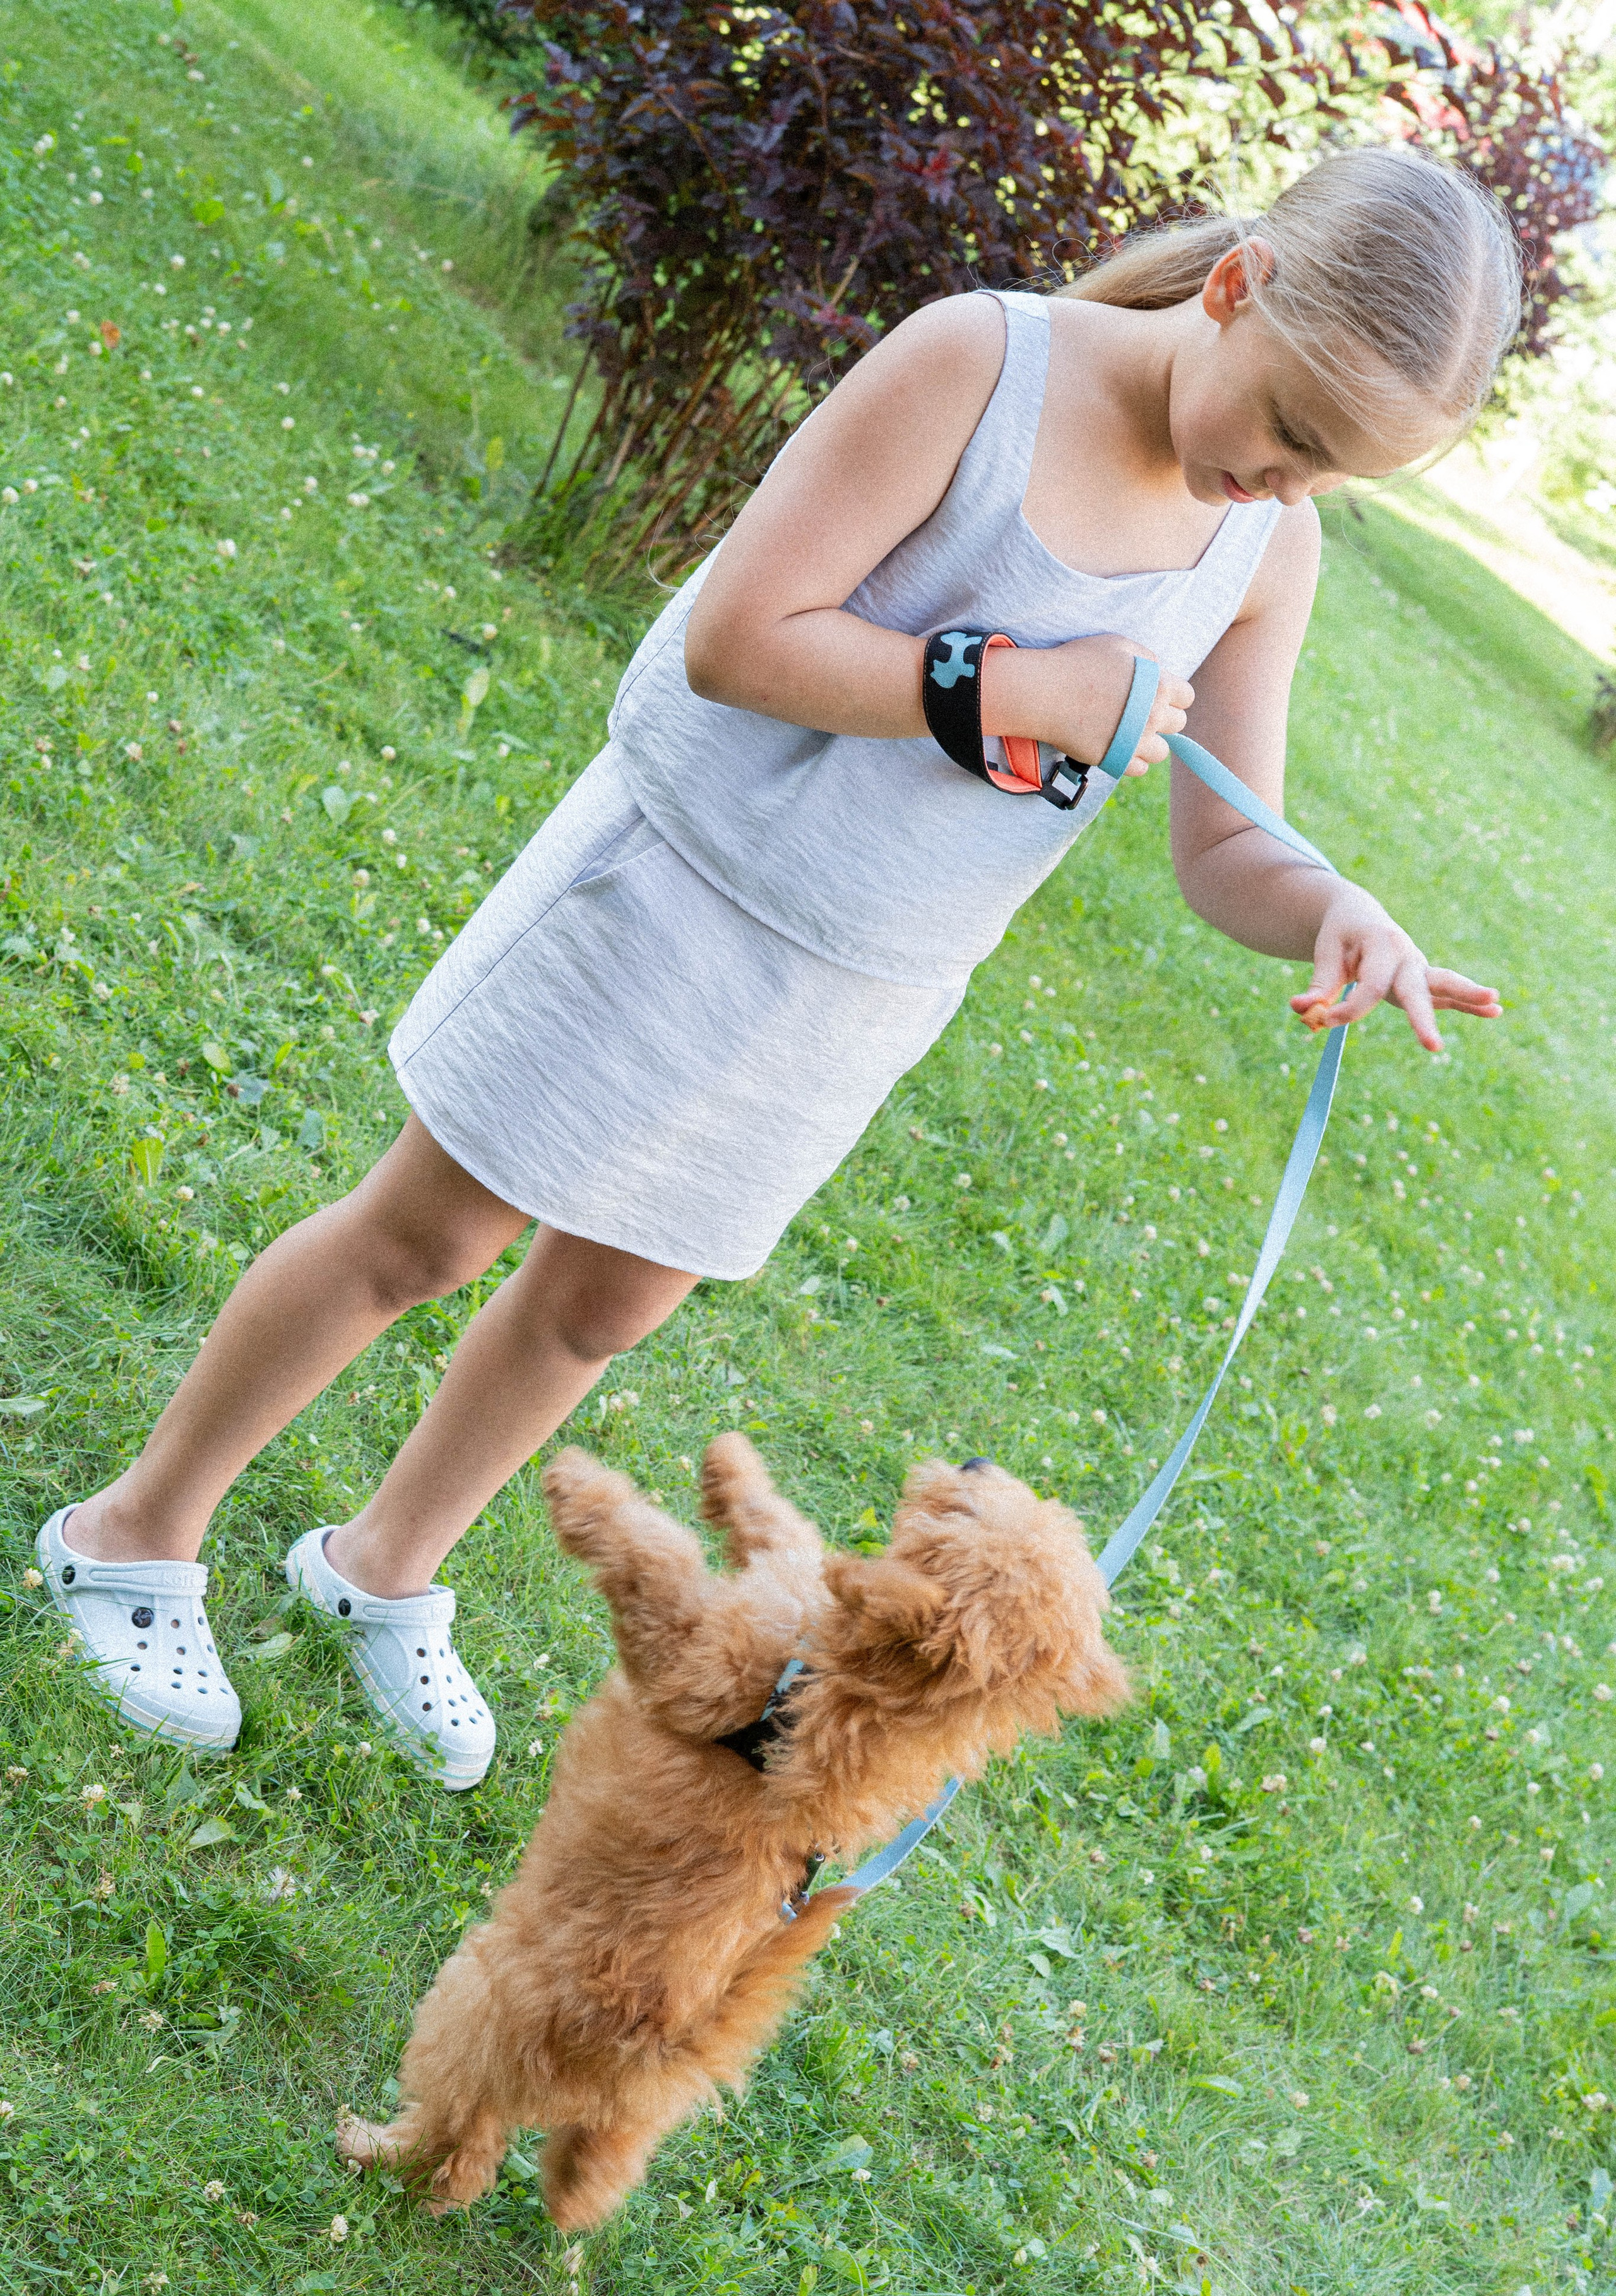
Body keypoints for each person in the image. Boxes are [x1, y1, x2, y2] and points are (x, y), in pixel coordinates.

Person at [38, 145, 1511, 1787]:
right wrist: (1011, 688)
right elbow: (740, 637)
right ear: (1236, 288)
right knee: (426, 1235)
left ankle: (380, 1564)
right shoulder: (983, 365)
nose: (1284, 490)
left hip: (862, 985)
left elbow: (1229, 843)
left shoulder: (1261, 550)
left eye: (1330, 480)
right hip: (680, 889)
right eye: (1290, 434)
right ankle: (133, 1532)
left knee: (600, 1308)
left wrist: (1332, 908)